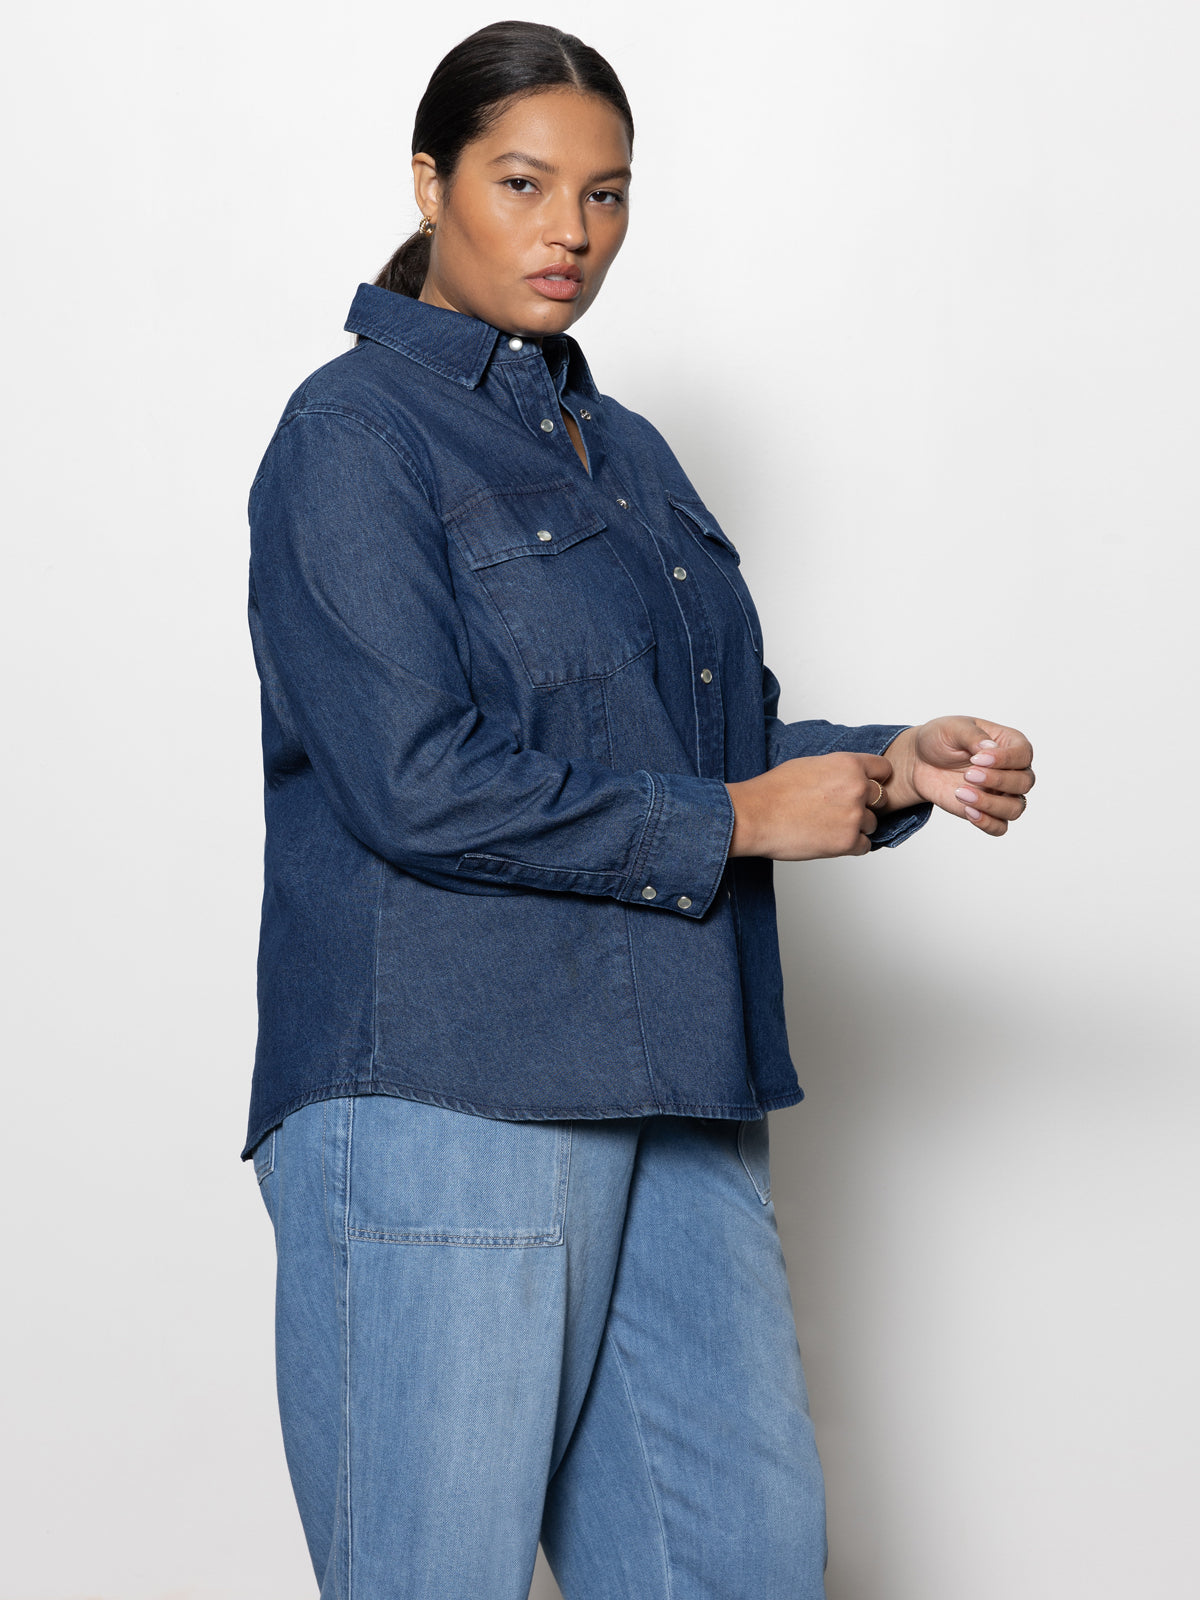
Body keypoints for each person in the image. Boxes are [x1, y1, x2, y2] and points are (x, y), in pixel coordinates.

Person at [243, 20, 1035, 1600]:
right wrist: (740, 819)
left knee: (740, 1566)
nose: (571, 234)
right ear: (430, 178)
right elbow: (418, 781)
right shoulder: (350, 436)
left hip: (675, 1087)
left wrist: (886, 768)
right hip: (452, 1090)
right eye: (525, 184)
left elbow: (703, 743)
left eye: (607, 195)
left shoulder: (627, 454)